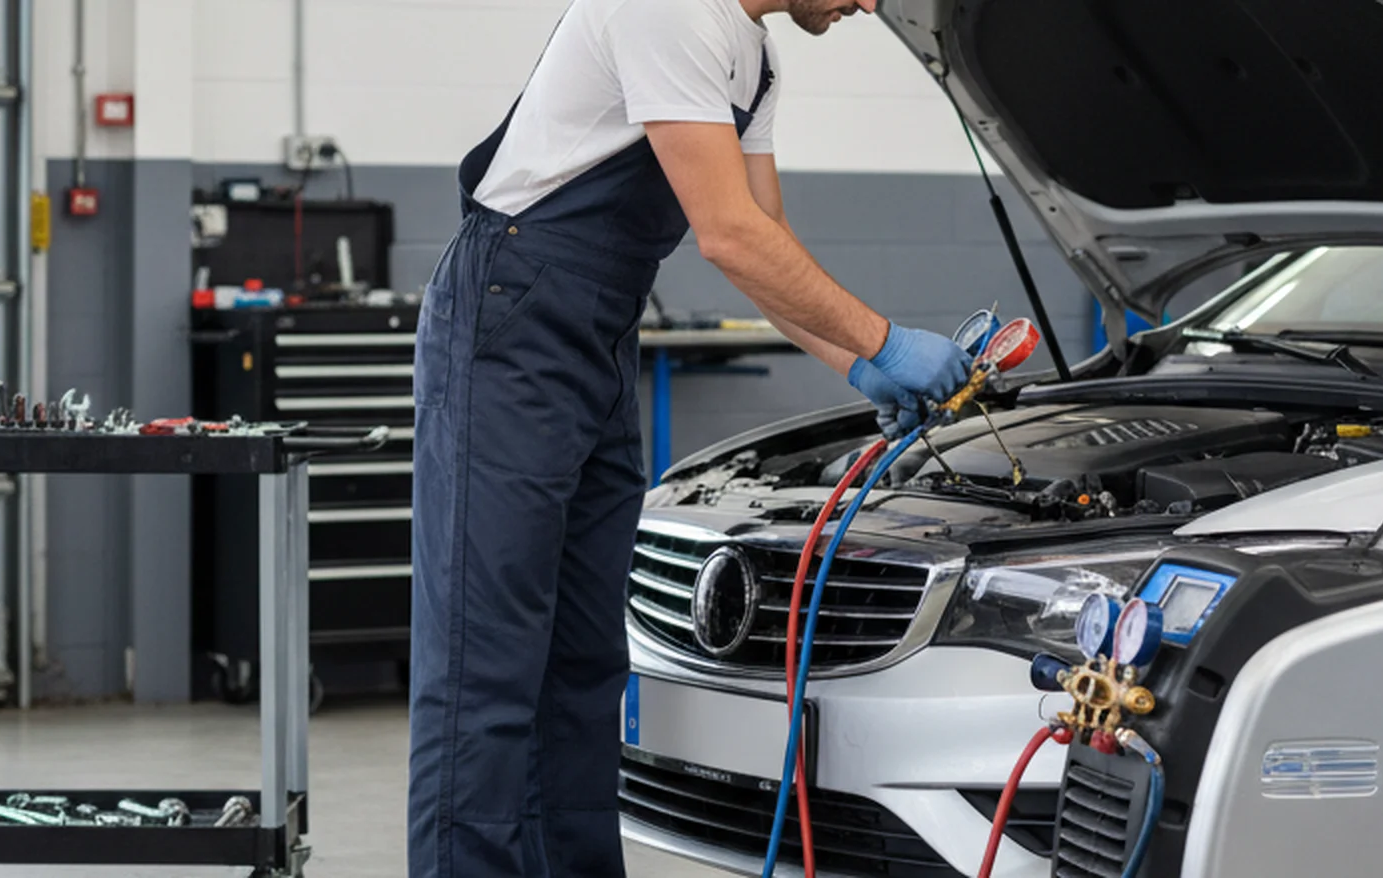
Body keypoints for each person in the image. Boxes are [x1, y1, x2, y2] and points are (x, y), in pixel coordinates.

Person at [408, 0, 973, 874]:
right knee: (486, 663)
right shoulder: (667, 9)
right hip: (510, 316)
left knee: (587, 660)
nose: (866, 4)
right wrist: (885, 341)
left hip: (595, 331)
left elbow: (769, 239)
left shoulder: (757, 59)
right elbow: (729, 235)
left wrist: (860, 369)